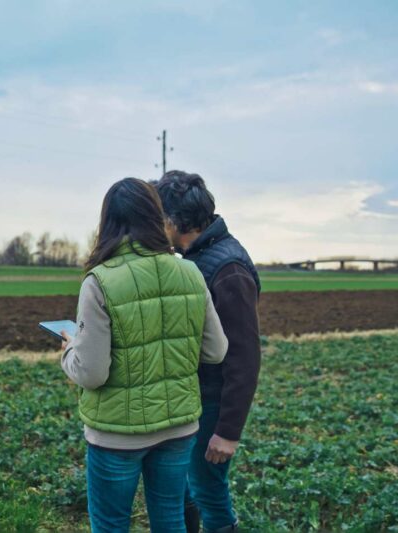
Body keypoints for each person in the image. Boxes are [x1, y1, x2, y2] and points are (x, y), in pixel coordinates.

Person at [60, 177, 229, 533]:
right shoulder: (190, 272)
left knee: (111, 525)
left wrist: (69, 351)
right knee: (170, 519)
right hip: (179, 427)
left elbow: (91, 373)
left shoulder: (100, 281)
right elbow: (216, 351)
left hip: (117, 433)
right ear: (156, 216)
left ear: (107, 222)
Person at [155, 171, 261, 533]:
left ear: (172, 220)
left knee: (209, 491)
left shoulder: (228, 269)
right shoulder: (193, 256)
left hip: (212, 403)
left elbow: (245, 358)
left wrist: (228, 431)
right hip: (192, 399)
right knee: (185, 488)